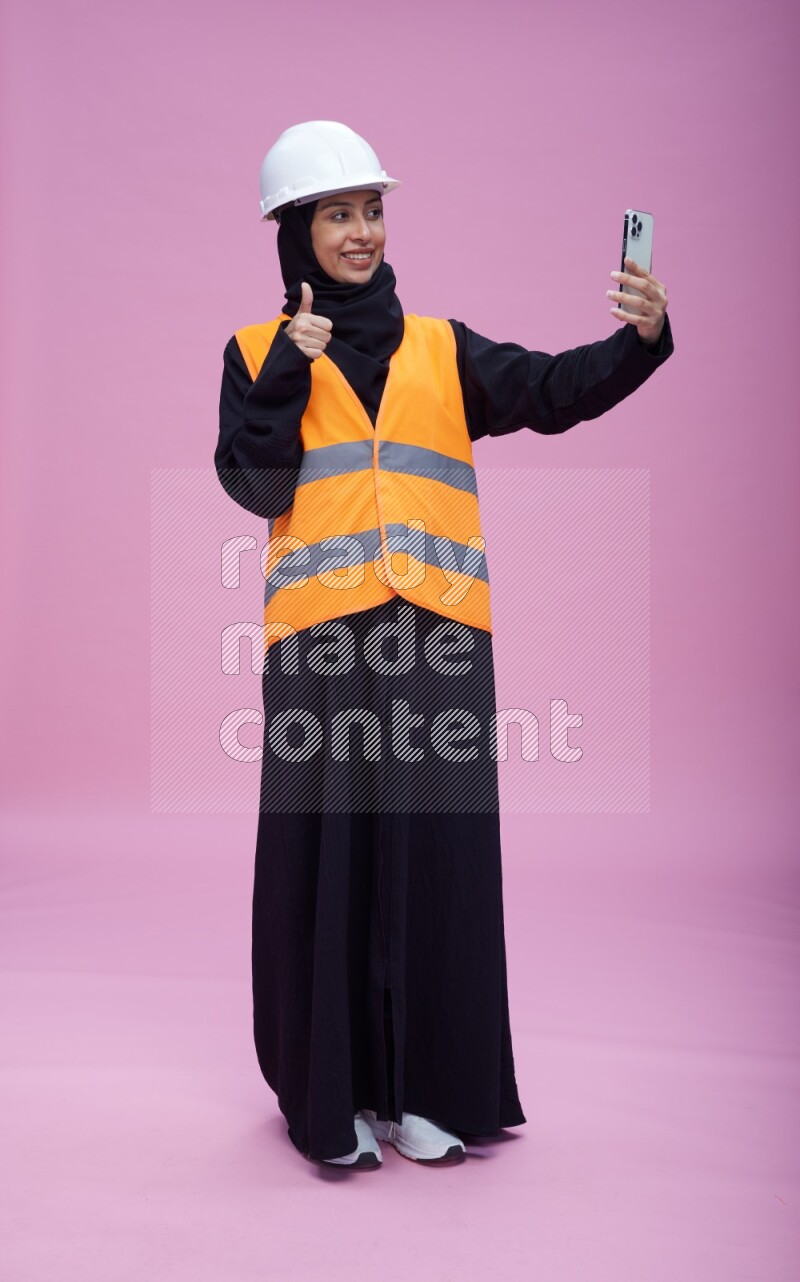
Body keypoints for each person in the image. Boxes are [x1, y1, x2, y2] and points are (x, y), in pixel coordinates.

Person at [215, 120, 673, 1170]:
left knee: (438, 863)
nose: (361, 232)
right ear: (293, 232)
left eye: (372, 210)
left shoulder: (441, 347)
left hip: (439, 640)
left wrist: (638, 343)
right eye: (337, 214)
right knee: (330, 863)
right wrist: (287, 371)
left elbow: (550, 390)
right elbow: (255, 485)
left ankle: (426, 1092)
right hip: (322, 648)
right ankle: (333, 1098)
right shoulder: (254, 353)